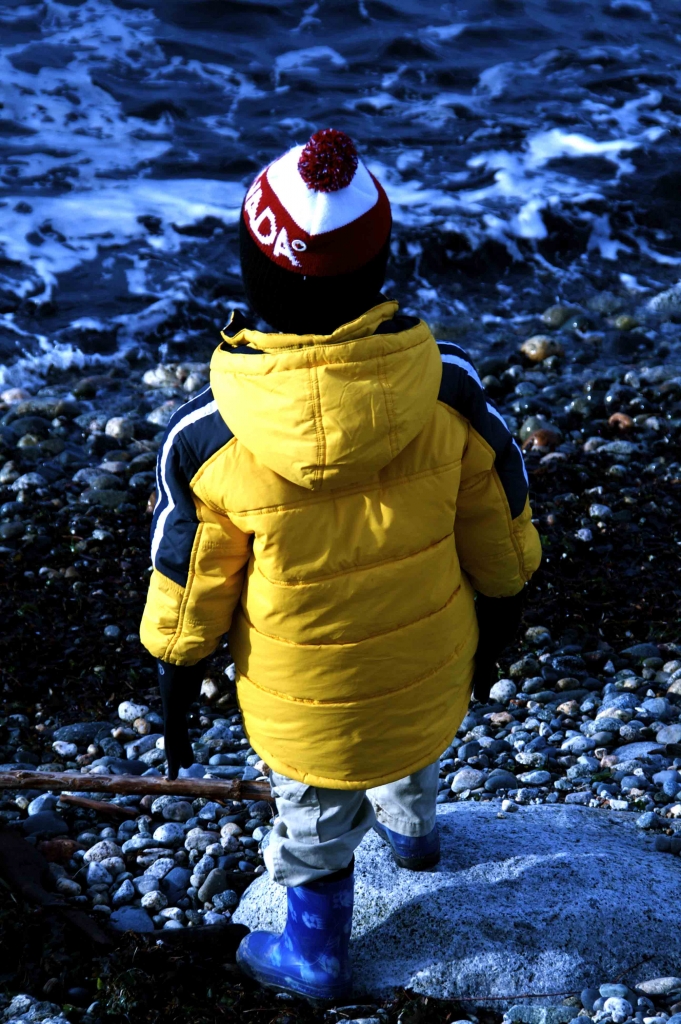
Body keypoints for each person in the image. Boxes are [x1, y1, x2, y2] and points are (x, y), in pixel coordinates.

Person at [140, 129, 542, 1004]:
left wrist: (176, 671)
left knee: (315, 819)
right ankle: (414, 840)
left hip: (302, 702)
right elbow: (502, 533)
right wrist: (500, 624)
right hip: (427, 675)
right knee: (409, 753)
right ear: (379, 264)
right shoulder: (450, 393)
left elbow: (188, 585)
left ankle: (317, 958)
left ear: (253, 272)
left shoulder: (209, 437)